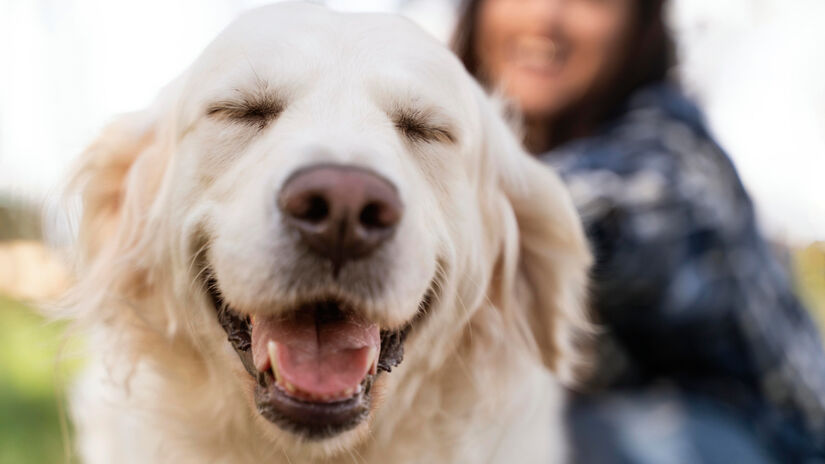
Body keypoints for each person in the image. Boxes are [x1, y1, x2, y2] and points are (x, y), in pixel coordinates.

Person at [452, 0, 825, 462]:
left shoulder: (670, 157)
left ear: (639, 26)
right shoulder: (487, 153)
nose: (545, 16)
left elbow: (593, 215)